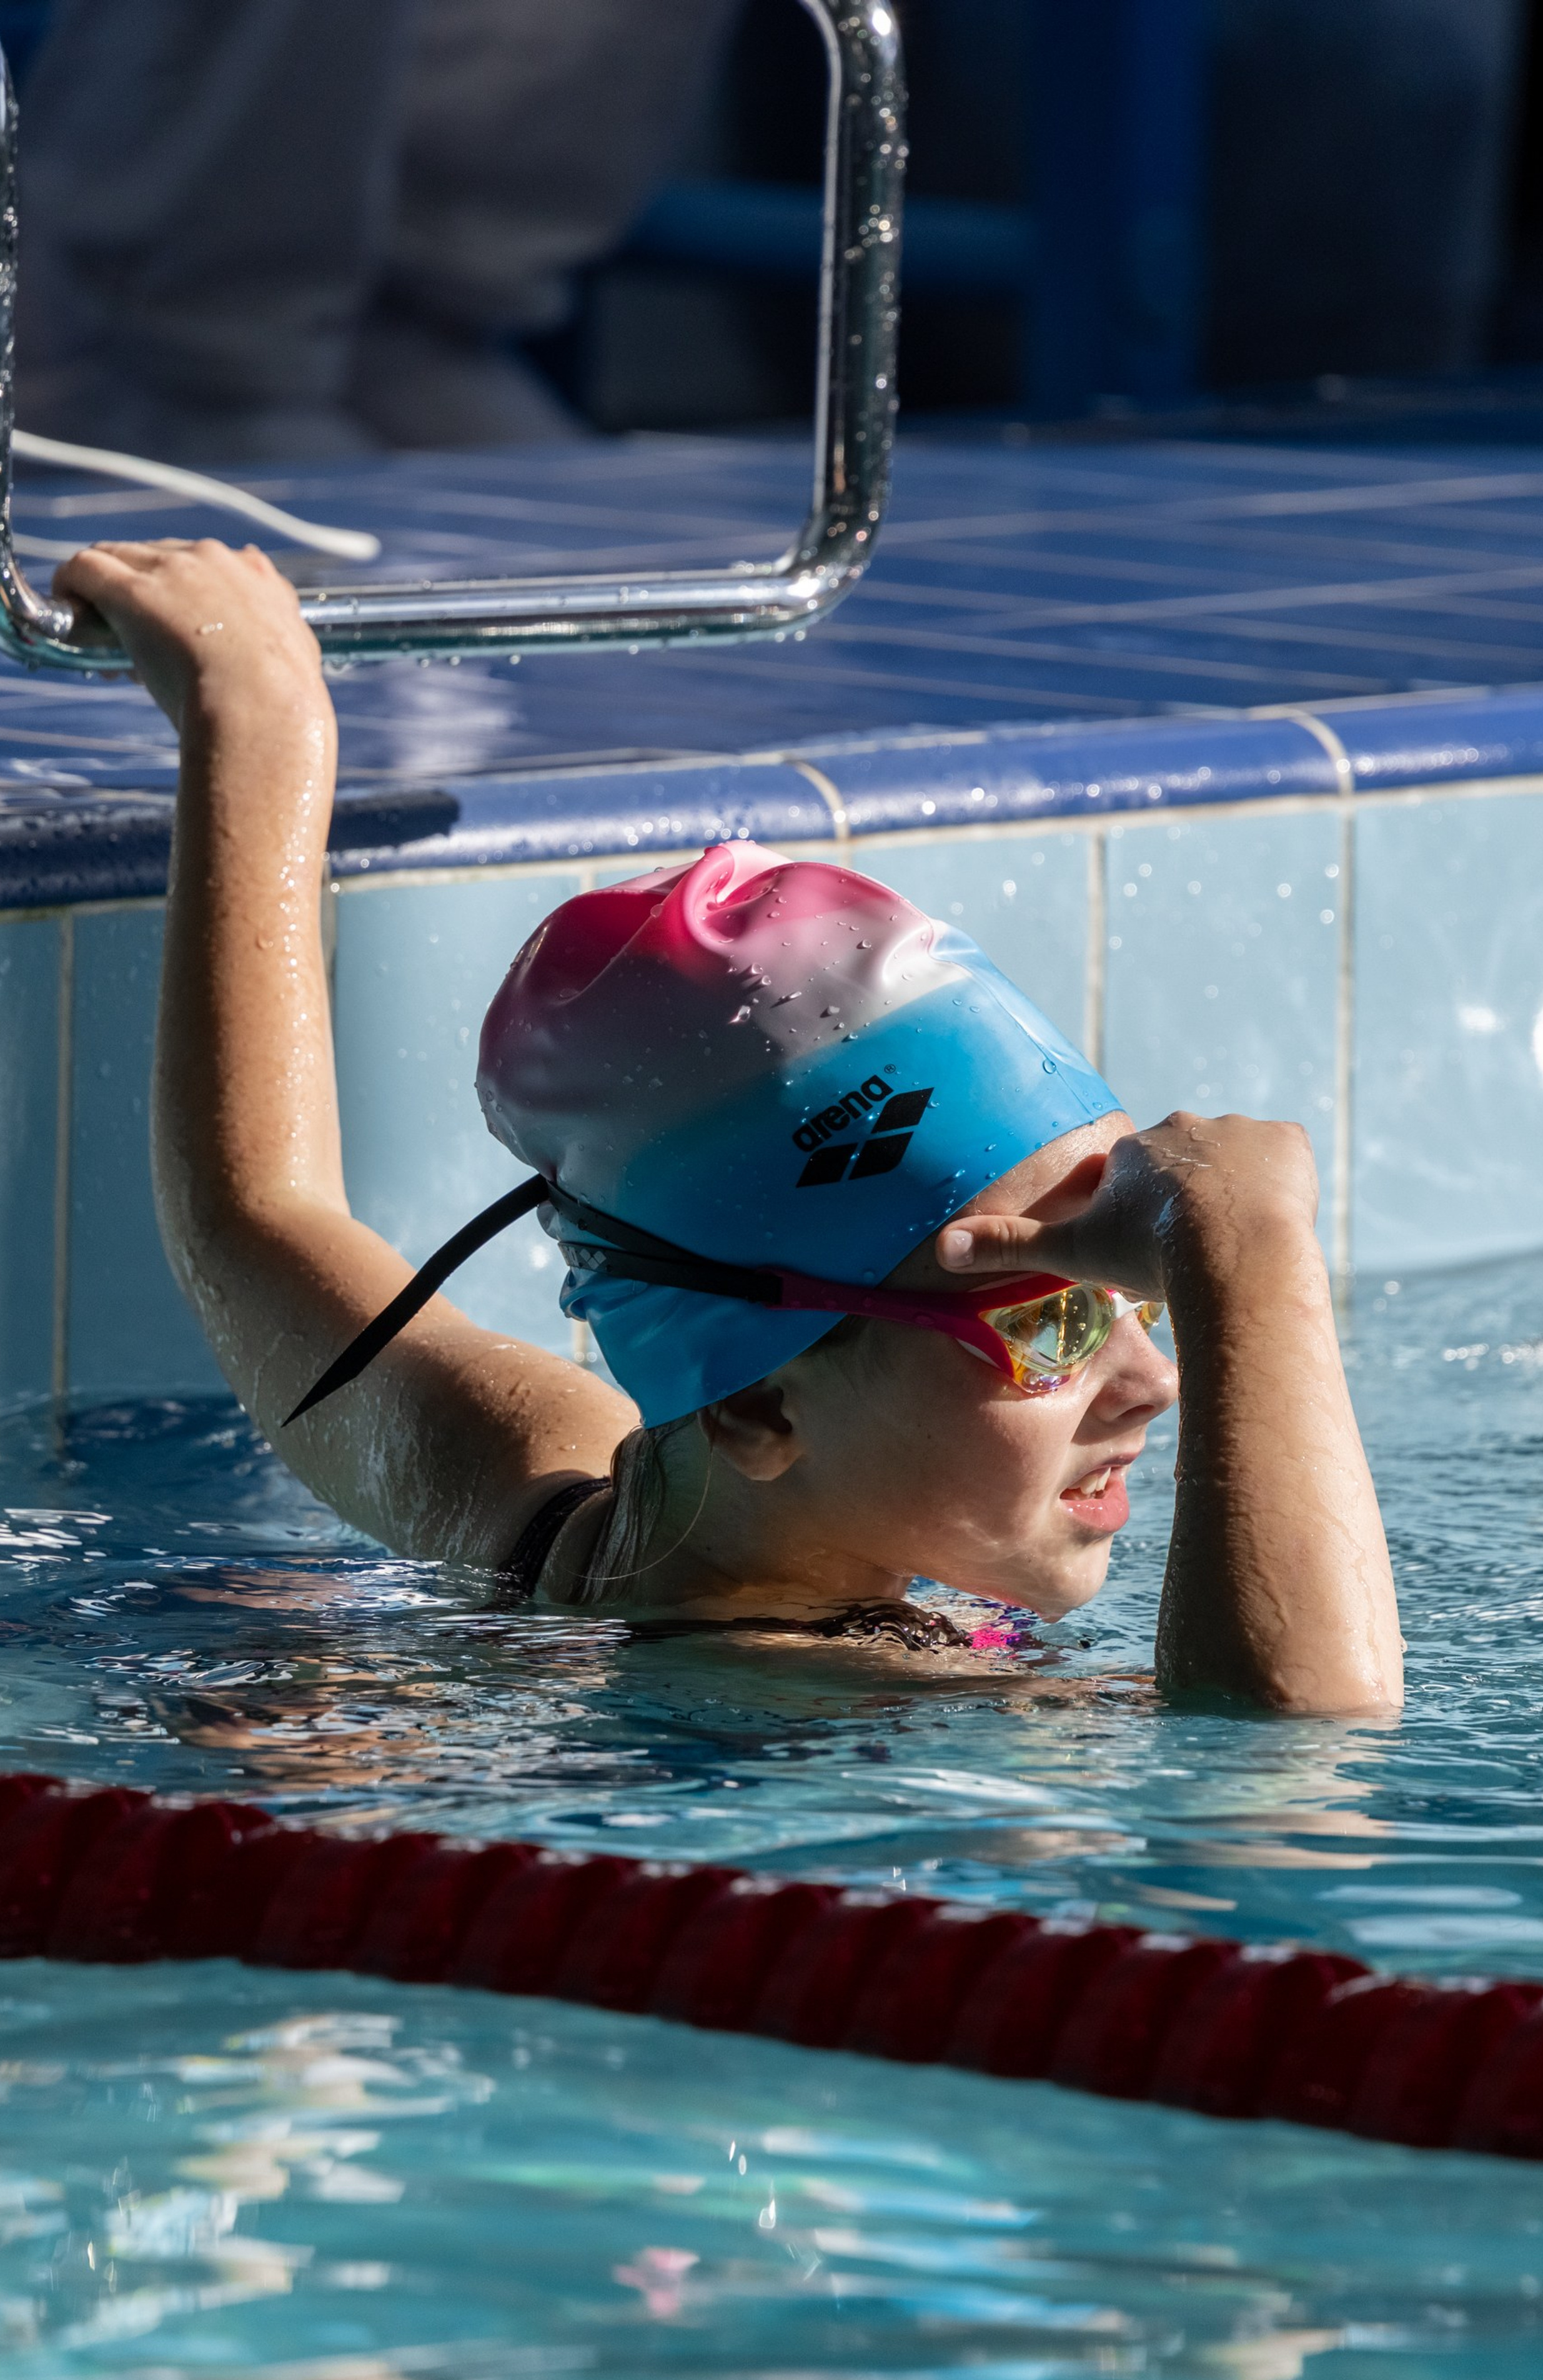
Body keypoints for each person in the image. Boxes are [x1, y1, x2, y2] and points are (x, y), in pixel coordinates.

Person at [52, 536, 1404, 1717]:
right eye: (1050, 1320)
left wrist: (259, 729)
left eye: (1137, 1284)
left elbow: (259, 1218)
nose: (1155, 1379)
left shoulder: (550, 1503)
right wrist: (1250, 1261)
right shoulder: (855, 1707)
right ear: (758, 1403)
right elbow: (1285, 1765)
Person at [16, 0, 744, 460]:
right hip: (152, 354)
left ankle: (397, 322)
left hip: (426, 331)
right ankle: (167, 358)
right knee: (180, 321)